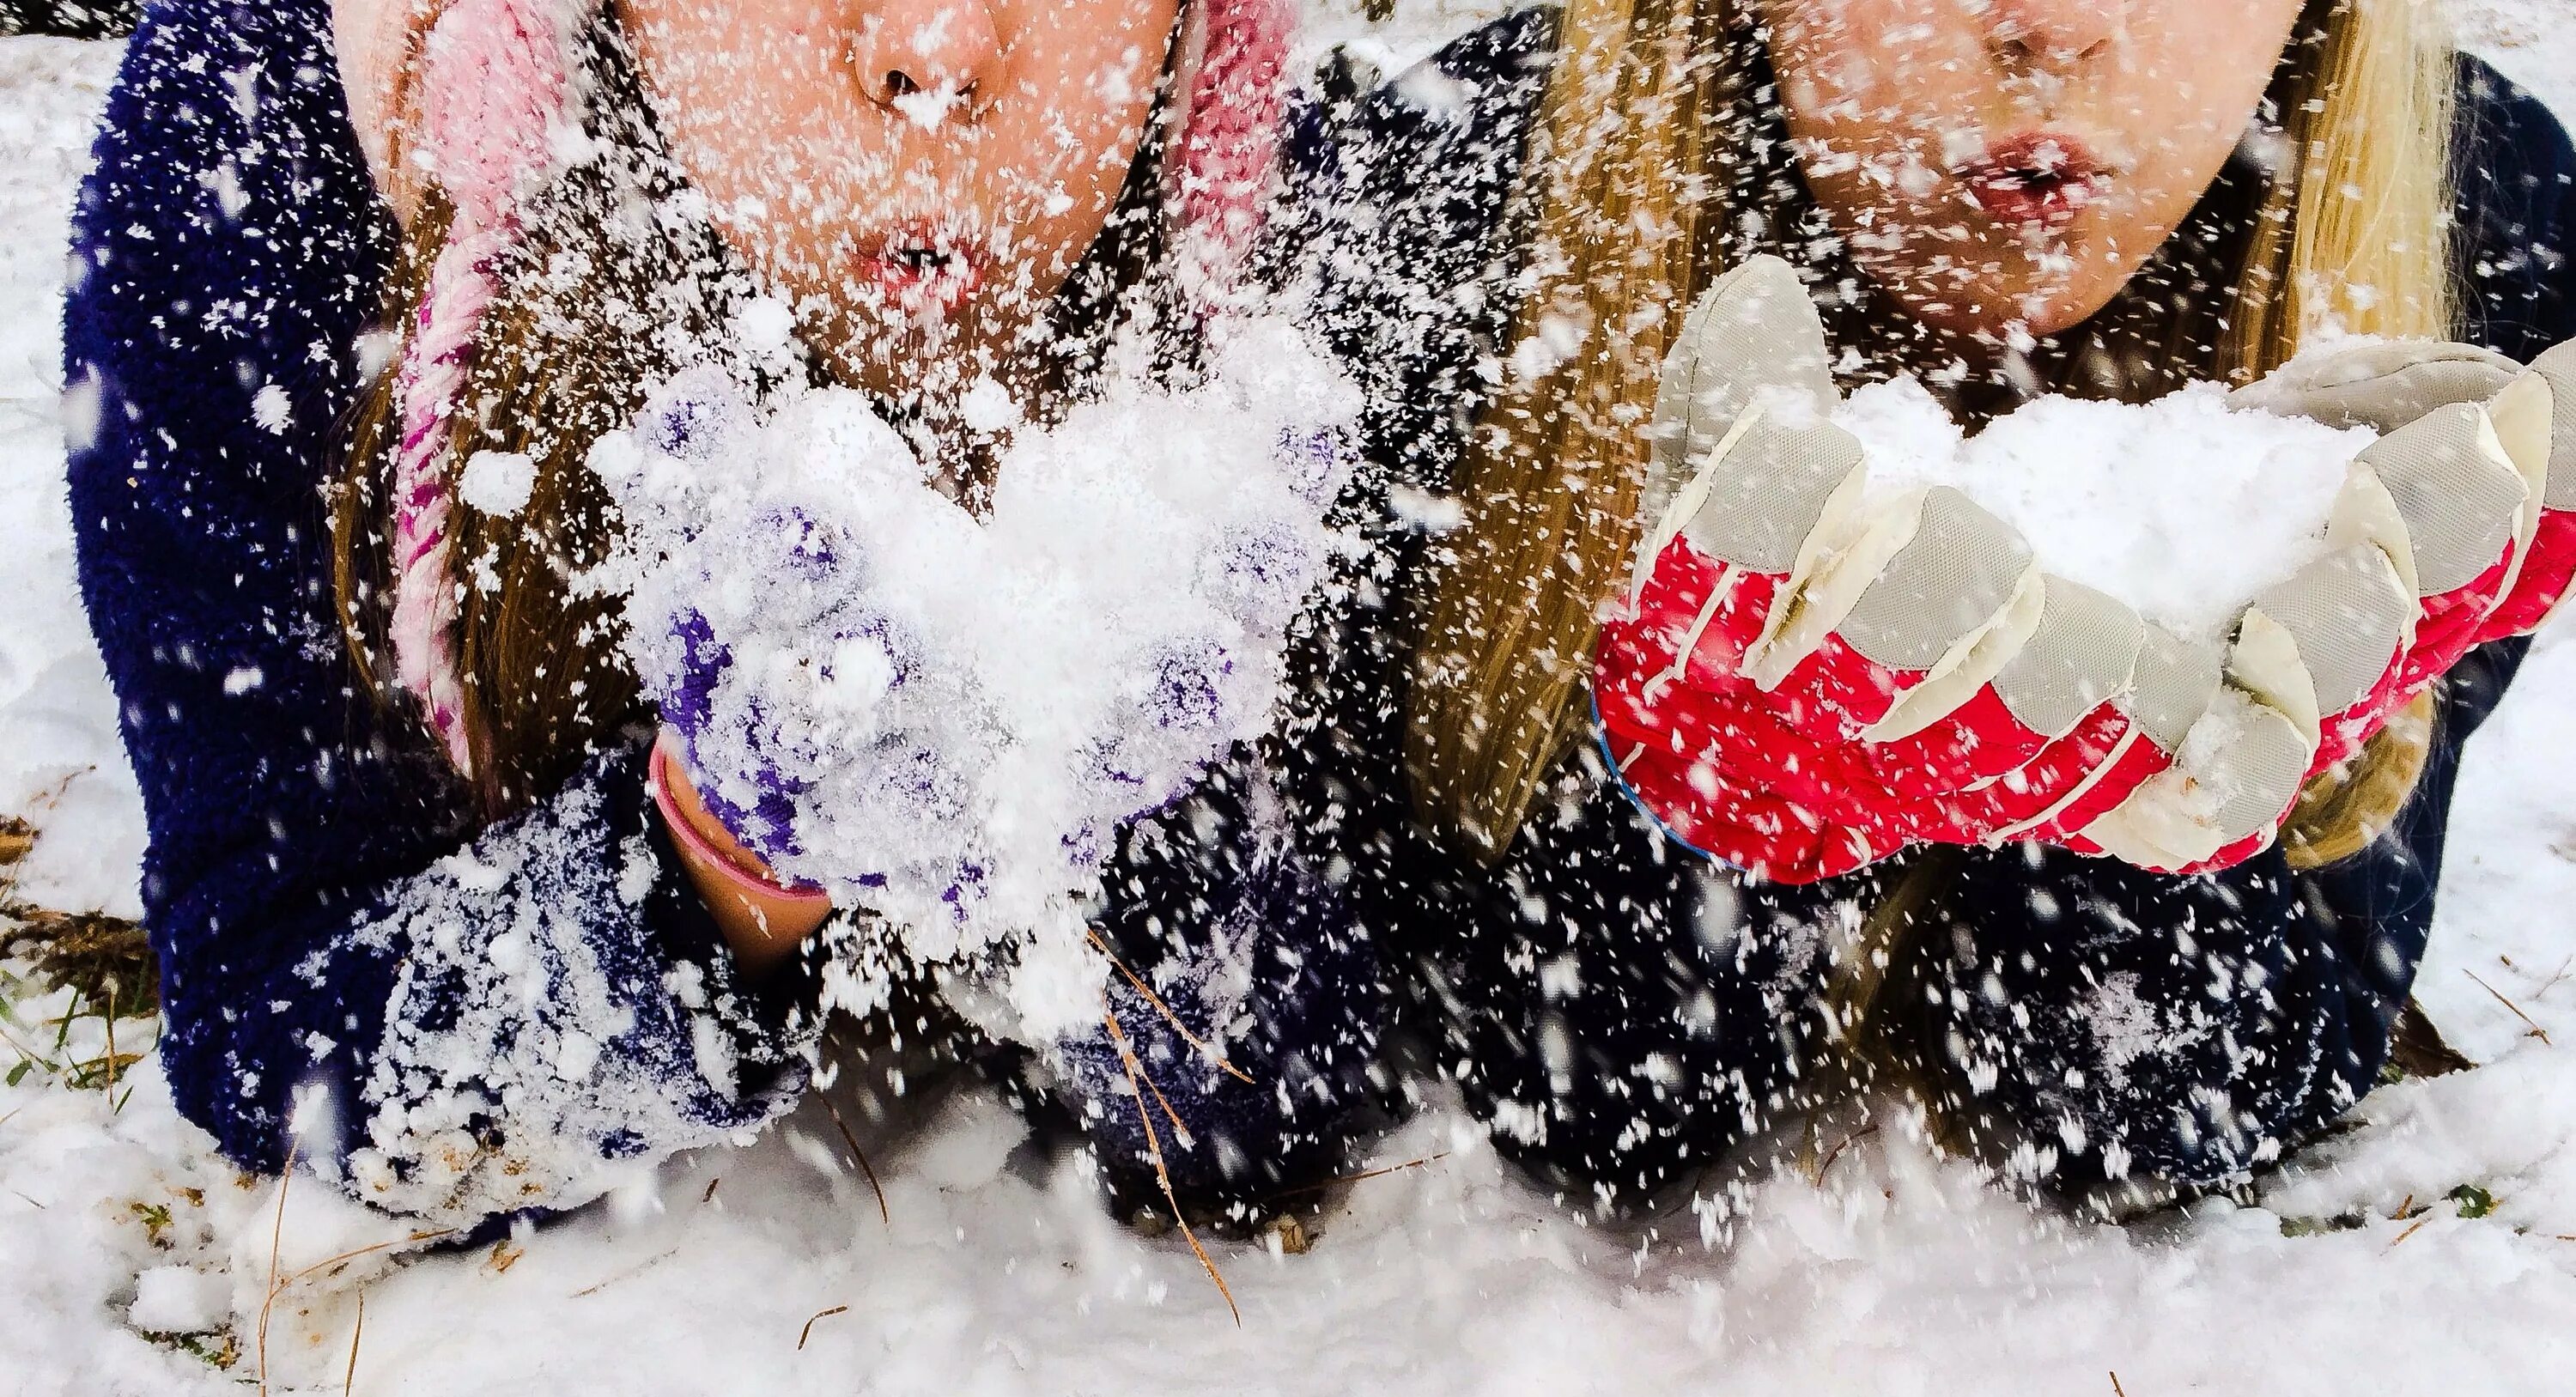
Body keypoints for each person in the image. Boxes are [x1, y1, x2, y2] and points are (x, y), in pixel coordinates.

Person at [67, 0, 1460, 1232]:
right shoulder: (259, 141)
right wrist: (707, 865)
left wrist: (1134, 825)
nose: (936, 54)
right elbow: (283, 1031)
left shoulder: (1247, 192)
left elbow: (1295, 1080)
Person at [1291, 0, 2576, 1218]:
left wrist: (2162, 789)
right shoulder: (1456, 204)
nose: (2053, 28)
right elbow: (1554, 1087)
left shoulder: (2481, 221)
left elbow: (2177, 1092)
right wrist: (1728, 802)